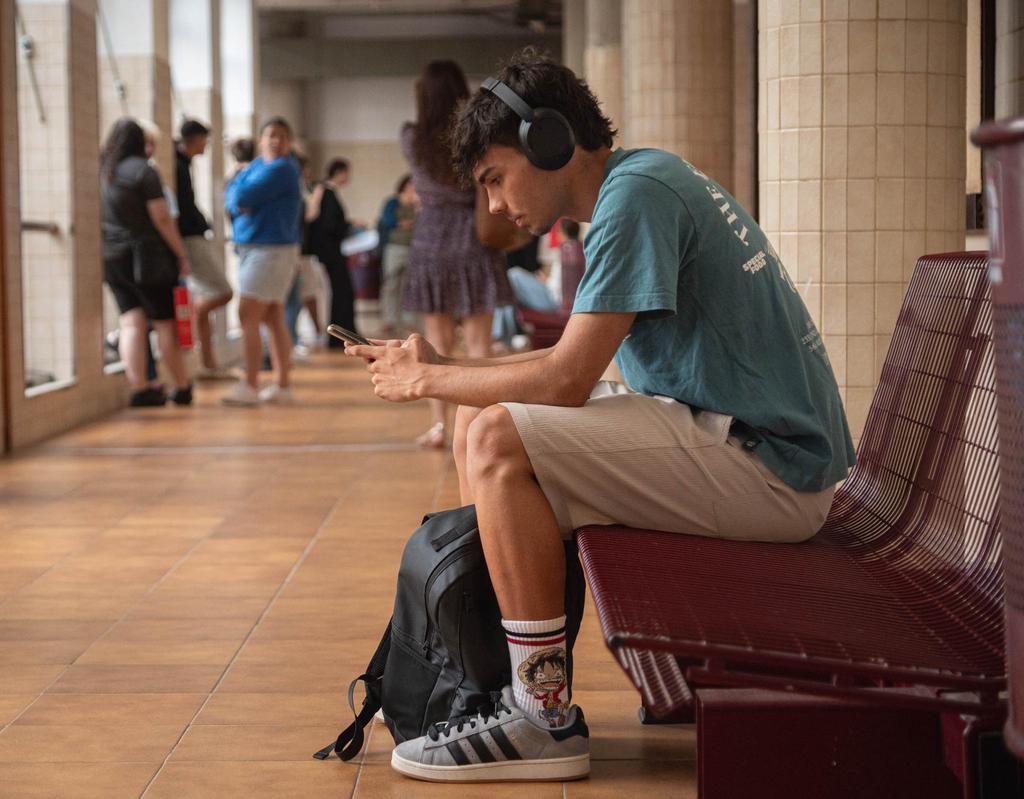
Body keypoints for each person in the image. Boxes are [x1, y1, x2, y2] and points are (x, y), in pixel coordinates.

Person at [345, 50, 854, 783]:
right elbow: (567, 382)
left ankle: (540, 716)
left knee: (493, 434)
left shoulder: (636, 197)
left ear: (550, 140)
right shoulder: (639, 185)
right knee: (498, 426)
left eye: (494, 177)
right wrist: (450, 372)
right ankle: (526, 688)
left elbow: (565, 378)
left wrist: (433, 377)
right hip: (752, 449)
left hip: (771, 469)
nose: (493, 205)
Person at [400, 60, 511, 449]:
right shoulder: (474, 135)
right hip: (473, 236)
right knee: (479, 342)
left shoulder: (411, 138)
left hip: (430, 239)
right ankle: (482, 422)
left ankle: (440, 427)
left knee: (436, 342)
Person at [99, 118, 192, 406]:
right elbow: (162, 218)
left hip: (112, 257)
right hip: (148, 259)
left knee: (131, 323)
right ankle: (182, 386)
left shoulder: (103, 171)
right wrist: (180, 253)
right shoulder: (143, 172)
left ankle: (140, 388)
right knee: (165, 324)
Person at [223, 117, 302, 406]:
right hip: (257, 249)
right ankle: (282, 386)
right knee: (272, 317)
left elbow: (240, 194)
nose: (276, 141)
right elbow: (232, 196)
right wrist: (236, 195)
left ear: (289, 142)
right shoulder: (258, 166)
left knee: (248, 315)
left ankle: (251, 384)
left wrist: (238, 195)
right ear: (261, 140)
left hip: (270, 251)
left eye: (283, 136)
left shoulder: (282, 169)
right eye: (271, 135)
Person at [175, 118, 233, 378]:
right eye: (205, 140)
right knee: (222, 292)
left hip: (193, 236)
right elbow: (180, 209)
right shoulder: (177, 165)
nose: (207, 145)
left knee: (209, 296)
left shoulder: (183, 164)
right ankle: (196, 311)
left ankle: (208, 364)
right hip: (190, 239)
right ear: (195, 139)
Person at [307, 158, 356, 348]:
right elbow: (329, 225)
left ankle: (344, 333)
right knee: (339, 292)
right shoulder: (326, 192)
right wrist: (348, 227)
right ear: (339, 172)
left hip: (332, 250)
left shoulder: (329, 192)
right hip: (329, 252)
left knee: (342, 292)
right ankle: (338, 336)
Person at [286, 154, 324, 358]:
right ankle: (290, 343)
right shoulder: (294, 190)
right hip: (296, 253)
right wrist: (316, 196)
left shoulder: (298, 188)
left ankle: (294, 340)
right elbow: (309, 215)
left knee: (300, 297)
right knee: (295, 298)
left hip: (298, 252)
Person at [377, 174, 418, 337]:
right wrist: (405, 223)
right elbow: (388, 221)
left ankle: (409, 321)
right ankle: (389, 320)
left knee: (410, 287)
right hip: (394, 248)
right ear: (403, 185)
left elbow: (423, 221)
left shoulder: (419, 202)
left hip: (414, 249)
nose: (413, 187)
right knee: (391, 284)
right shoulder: (392, 202)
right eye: (410, 184)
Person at [557, 218, 585, 311]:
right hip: (578, 300)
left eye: (559, 231)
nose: (557, 234)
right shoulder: (583, 247)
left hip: (566, 302)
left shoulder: (566, 249)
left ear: (564, 232)